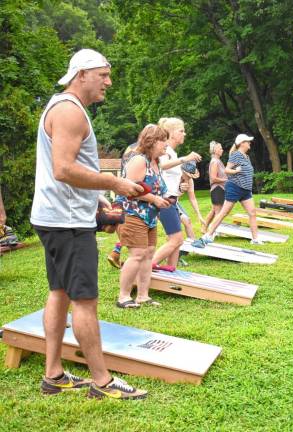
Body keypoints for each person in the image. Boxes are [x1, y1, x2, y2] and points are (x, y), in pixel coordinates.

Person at [30, 48, 147, 400]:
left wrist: (95, 196)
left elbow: (66, 170)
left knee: (60, 292)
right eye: (104, 75)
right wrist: (113, 182)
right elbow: (63, 168)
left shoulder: (63, 106)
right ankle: (103, 382)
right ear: (82, 74)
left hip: (55, 217)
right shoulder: (69, 111)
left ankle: (53, 375)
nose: (109, 82)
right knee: (85, 300)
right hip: (66, 224)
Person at [116, 124, 170, 308]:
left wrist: (164, 198)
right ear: (152, 141)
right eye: (163, 141)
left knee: (148, 254)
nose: (166, 145)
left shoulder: (156, 163)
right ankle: (123, 297)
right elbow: (129, 189)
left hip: (149, 216)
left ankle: (143, 296)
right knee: (137, 254)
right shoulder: (139, 160)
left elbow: (154, 187)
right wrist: (155, 199)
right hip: (133, 213)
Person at [192, 133, 263, 247]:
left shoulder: (246, 156)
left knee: (252, 212)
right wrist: (236, 171)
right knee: (223, 213)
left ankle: (255, 239)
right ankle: (207, 236)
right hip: (235, 187)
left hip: (246, 190)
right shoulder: (236, 155)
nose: (250, 143)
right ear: (242, 143)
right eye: (248, 141)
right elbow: (227, 170)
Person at [151, 117, 202, 270]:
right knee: (177, 239)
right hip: (164, 201)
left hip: (172, 200)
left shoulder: (171, 152)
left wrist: (180, 189)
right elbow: (164, 166)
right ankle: (147, 267)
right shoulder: (165, 149)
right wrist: (184, 159)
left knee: (174, 238)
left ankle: (171, 269)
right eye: (181, 131)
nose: (184, 134)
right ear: (172, 134)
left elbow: (168, 179)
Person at [202, 141, 227, 233]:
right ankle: (215, 232)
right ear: (215, 150)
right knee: (218, 212)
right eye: (220, 148)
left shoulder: (217, 161)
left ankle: (204, 228)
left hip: (220, 189)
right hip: (217, 189)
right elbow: (213, 178)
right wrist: (226, 180)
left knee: (214, 210)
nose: (222, 150)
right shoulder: (215, 162)